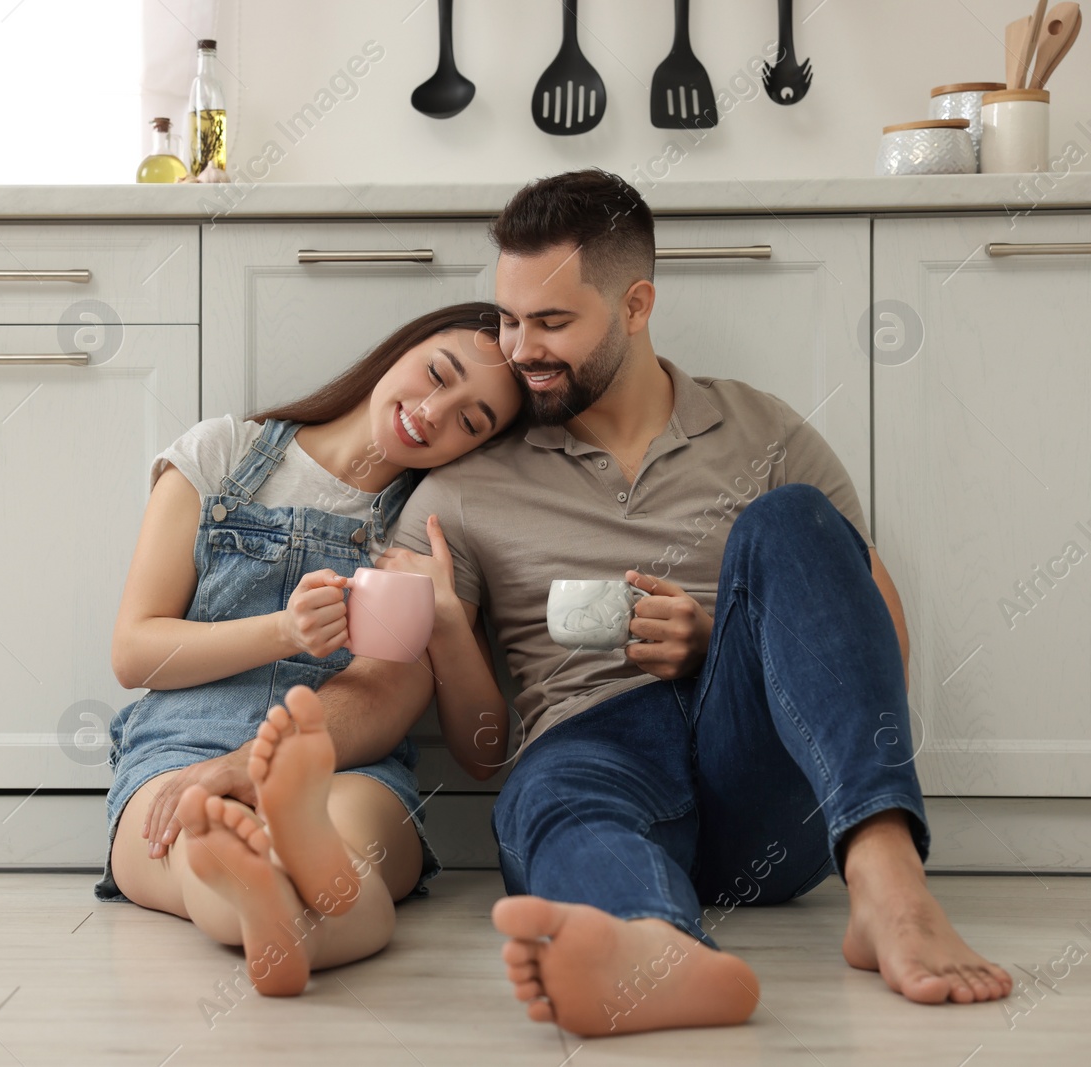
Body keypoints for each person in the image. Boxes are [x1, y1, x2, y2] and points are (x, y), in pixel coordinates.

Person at [167, 168, 1014, 1034]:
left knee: (791, 519)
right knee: (548, 793)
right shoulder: (464, 481)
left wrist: (723, 639)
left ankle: (890, 890)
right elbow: (387, 686)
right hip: (590, 747)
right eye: (508, 317)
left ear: (637, 306)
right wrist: (250, 762)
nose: (519, 347)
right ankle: (652, 945)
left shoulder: (766, 432)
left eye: (553, 322)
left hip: (766, 775)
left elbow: (873, 638)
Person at [98, 302, 522, 997]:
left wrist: (445, 622)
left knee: (350, 840)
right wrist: (285, 632)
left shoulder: (427, 531)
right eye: (436, 373)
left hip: (339, 763)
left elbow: (432, 722)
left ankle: (267, 883)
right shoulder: (225, 453)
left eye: (471, 423)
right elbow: (135, 649)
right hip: (179, 749)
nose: (434, 411)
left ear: (477, 449)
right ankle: (262, 887)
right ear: (401, 346)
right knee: (193, 841)